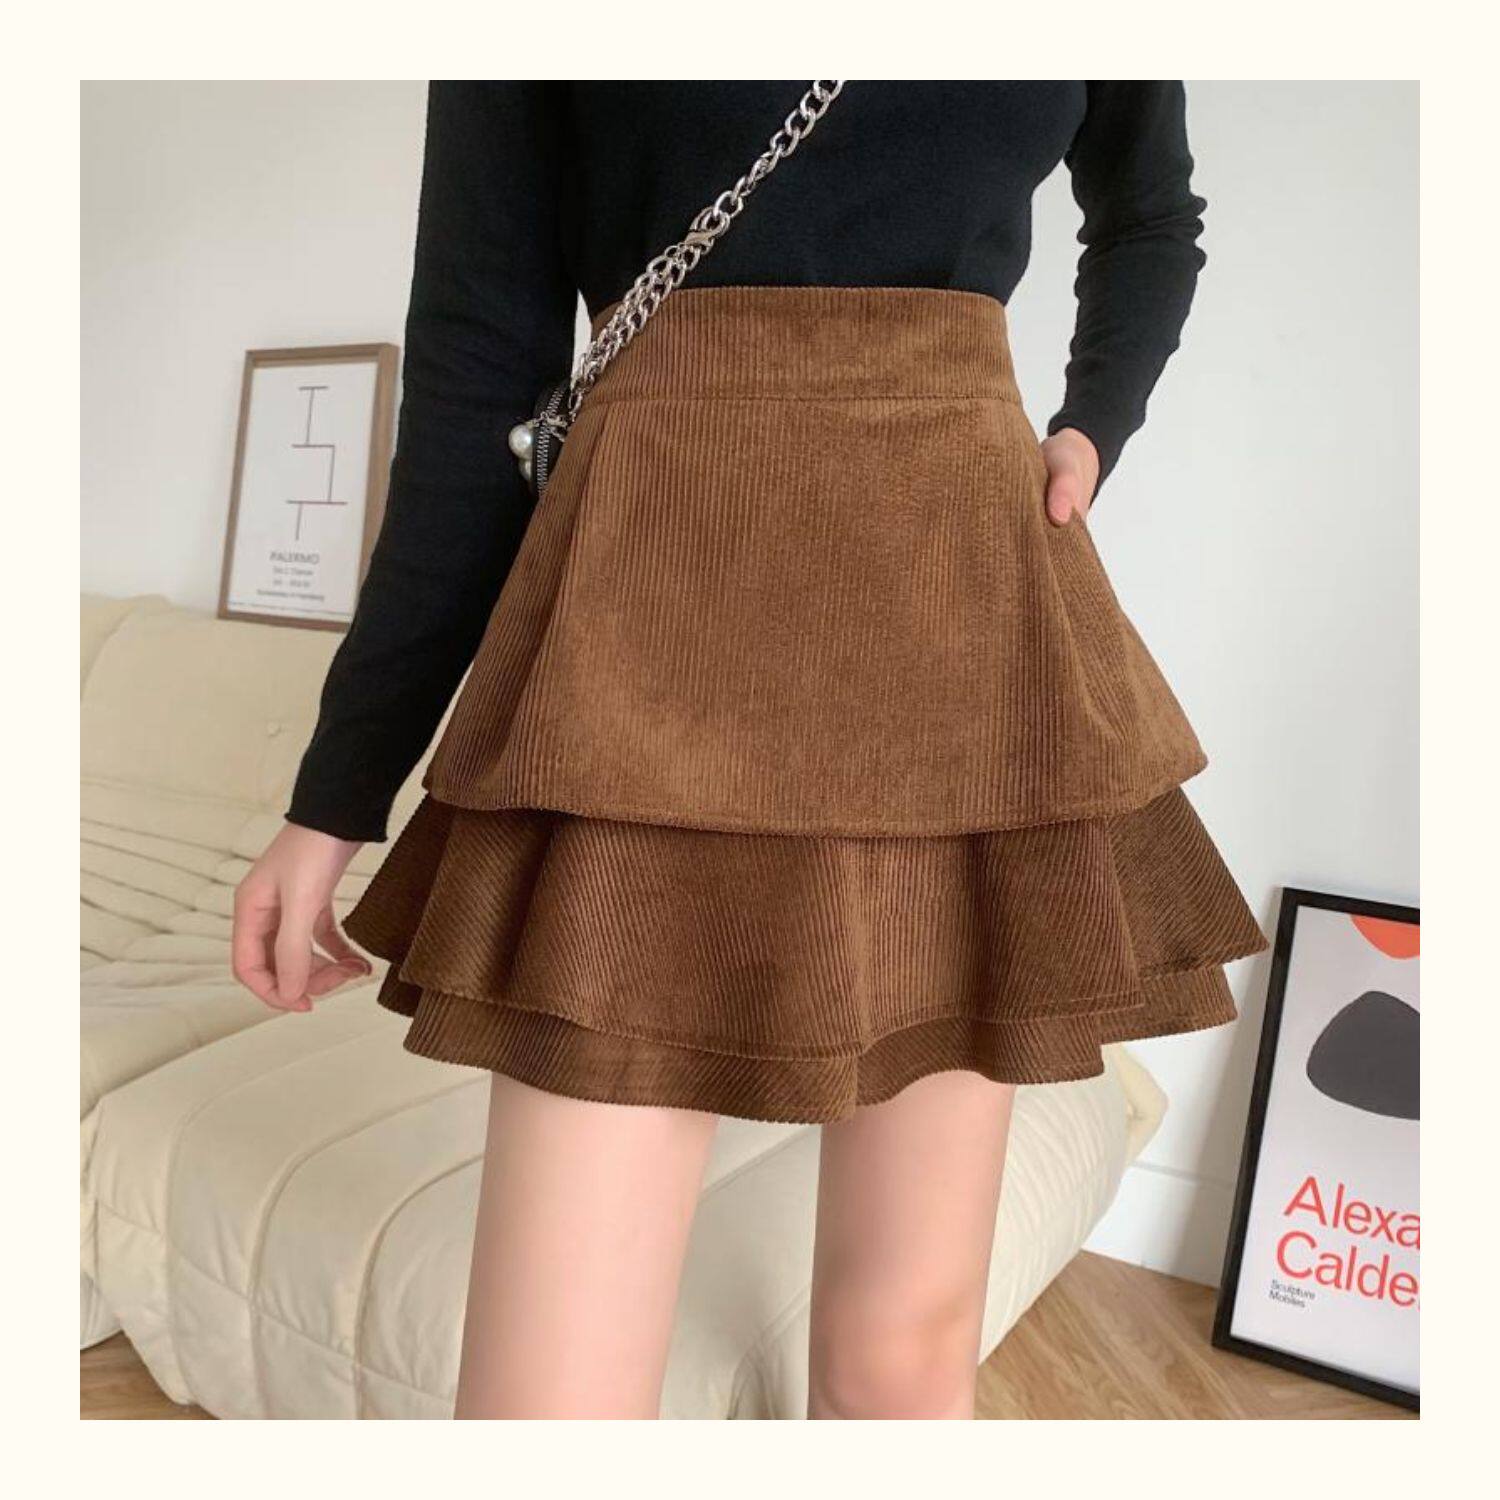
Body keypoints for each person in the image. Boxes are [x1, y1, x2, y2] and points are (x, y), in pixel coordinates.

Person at [232, 81, 1265, 1420]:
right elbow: (477, 382)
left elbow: (1151, 215)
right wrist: (337, 794)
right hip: (654, 608)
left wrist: (1093, 419)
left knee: (901, 1365)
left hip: (958, 606)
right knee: (550, 1397)